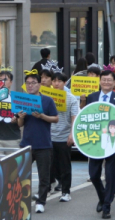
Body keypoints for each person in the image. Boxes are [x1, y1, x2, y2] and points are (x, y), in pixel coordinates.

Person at [85, 70, 115, 219]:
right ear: (100, 81)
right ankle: (102, 197)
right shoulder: (92, 97)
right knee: (94, 174)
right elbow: (86, 118)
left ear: (114, 82)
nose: (106, 82)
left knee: (110, 174)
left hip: (112, 141)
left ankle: (107, 206)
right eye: (104, 80)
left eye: (109, 80)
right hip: (95, 141)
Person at [17, 70, 59, 213]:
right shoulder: (22, 100)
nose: (30, 86)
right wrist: (21, 117)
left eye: (33, 83)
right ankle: (21, 200)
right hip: (26, 143)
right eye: (27, 83)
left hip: (44, 144)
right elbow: (19, 124)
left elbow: (55, 118)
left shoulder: (47, 100)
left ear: (40, 84)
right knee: (21, 174)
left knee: (44, 176)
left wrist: (42, 116)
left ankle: (41, 202)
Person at [50, 72, 79, 202]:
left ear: (65, 83)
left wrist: (72, 134)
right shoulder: (46, 97)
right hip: (49, 136)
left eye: (59, 81)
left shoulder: (71, 98)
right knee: (51, 165)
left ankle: (66, 192)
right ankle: (51, 186)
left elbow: (74, 118)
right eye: (54, 81)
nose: (56, 83)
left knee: (65, 165)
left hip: (63, 136)